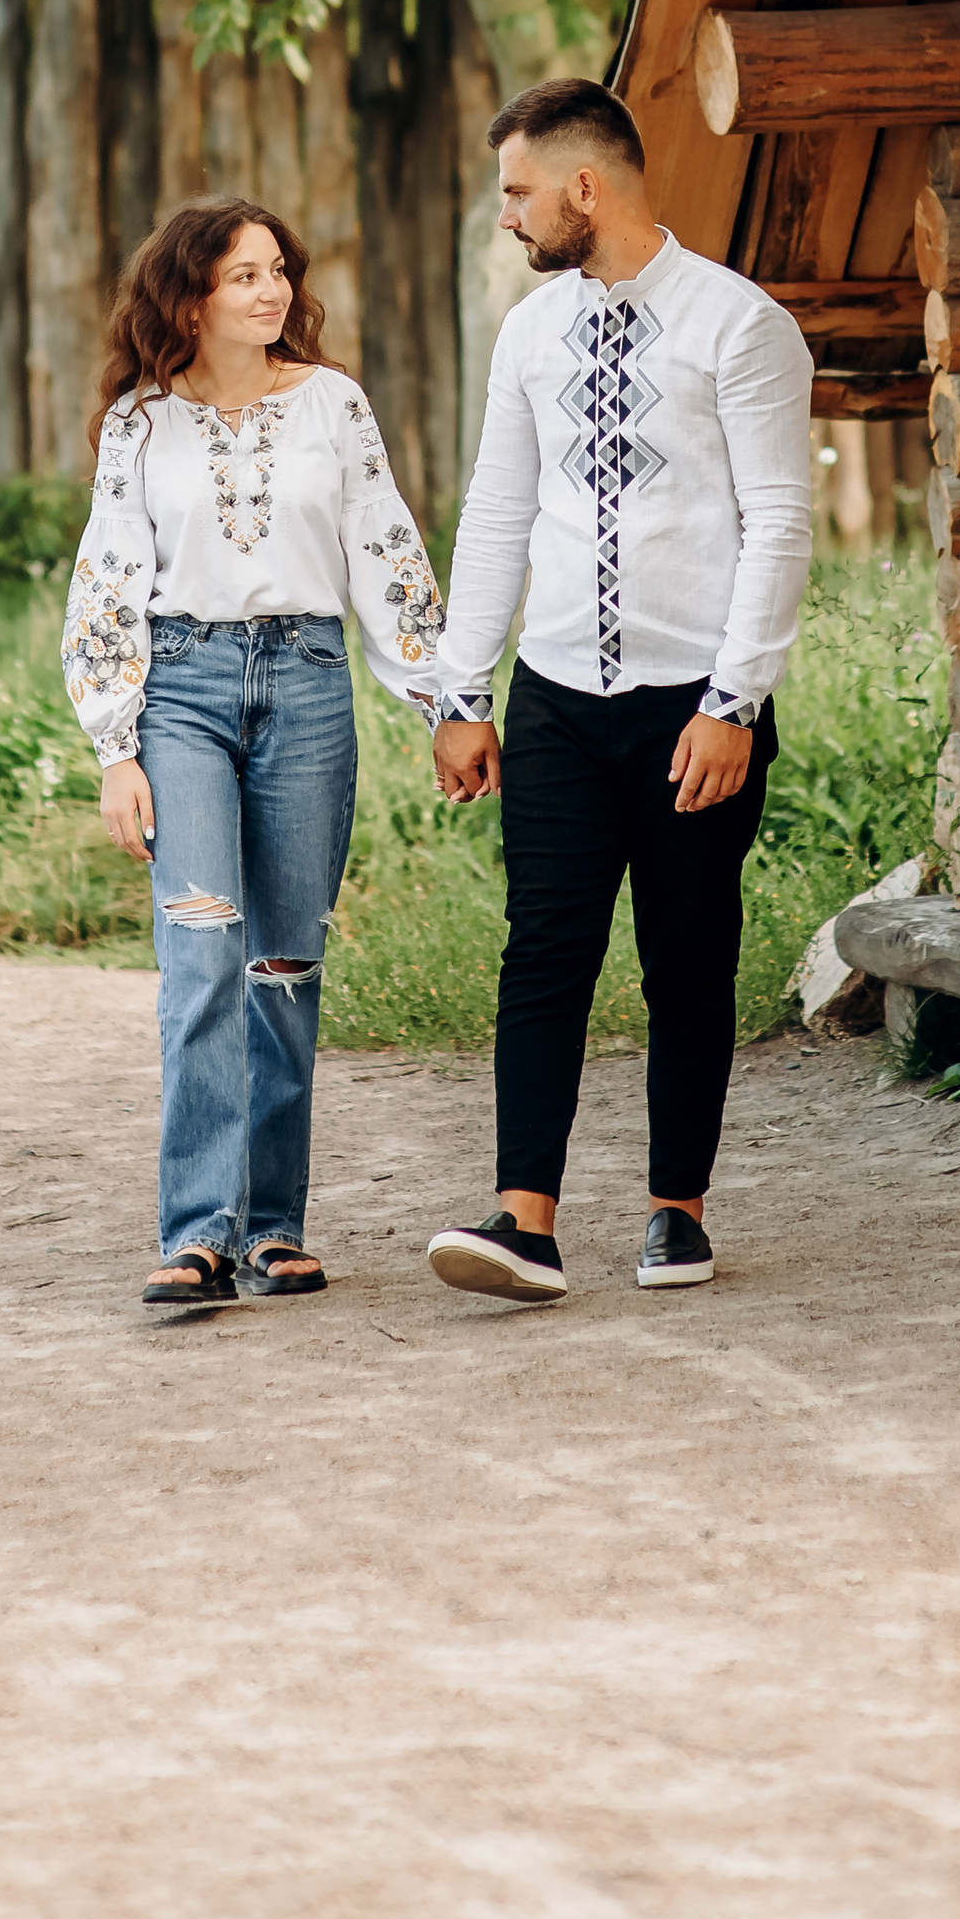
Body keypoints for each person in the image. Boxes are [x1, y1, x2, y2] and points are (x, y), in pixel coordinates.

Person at [63, 195, 494, 1311]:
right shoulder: (141, 423)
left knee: (284, 967)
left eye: (278, 271)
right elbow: (108, 576)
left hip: (306, 684)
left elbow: (385, 552)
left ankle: (272, 1228)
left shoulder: (333, 405)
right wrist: (116, 744)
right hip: (182, 694)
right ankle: (196, 1233)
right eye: (244, 275)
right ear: (190, 298)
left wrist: (447, 702)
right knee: (202, 954)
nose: (273, 291)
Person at [423, 80, 812, 1303]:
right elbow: (497, 512)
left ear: (584, 187)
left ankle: (675, 1213)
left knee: (685, 959)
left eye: (519, 191)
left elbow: (779, 522)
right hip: (554, 697)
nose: (507, 215)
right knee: (543, 950)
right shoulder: (529, 333)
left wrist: (732, 704)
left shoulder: (739, 325)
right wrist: (460, 692)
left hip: (691, 703)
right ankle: (523, 1220)